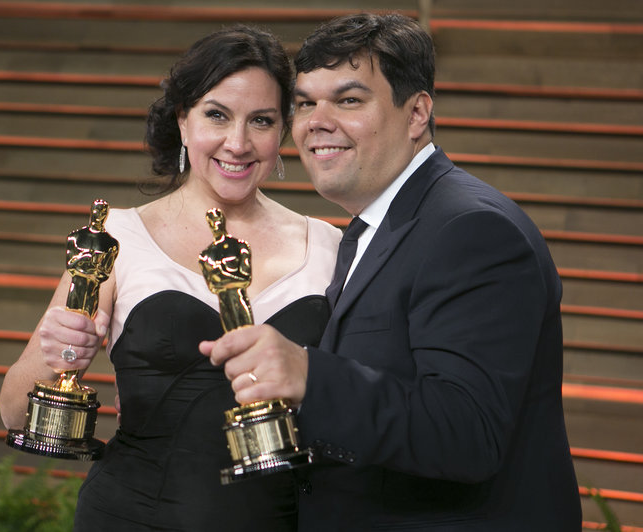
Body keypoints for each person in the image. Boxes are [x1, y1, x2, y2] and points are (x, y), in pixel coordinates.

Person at [200, 13, 582, 530]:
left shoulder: (472, 231)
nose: (317, 121)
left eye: (349, 100)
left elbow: (467, 433)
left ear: (417, 112)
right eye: (306, 102)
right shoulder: (372, 228)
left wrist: (311, 376)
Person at [0, 25, 341, 531]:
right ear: (183, 120)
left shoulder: (331, 246)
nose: (238, 143)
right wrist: (57, 357)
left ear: (283, 131)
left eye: (261, 121)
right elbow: (14, 413)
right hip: (131, 515)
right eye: (216, 115)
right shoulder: (117, 236)